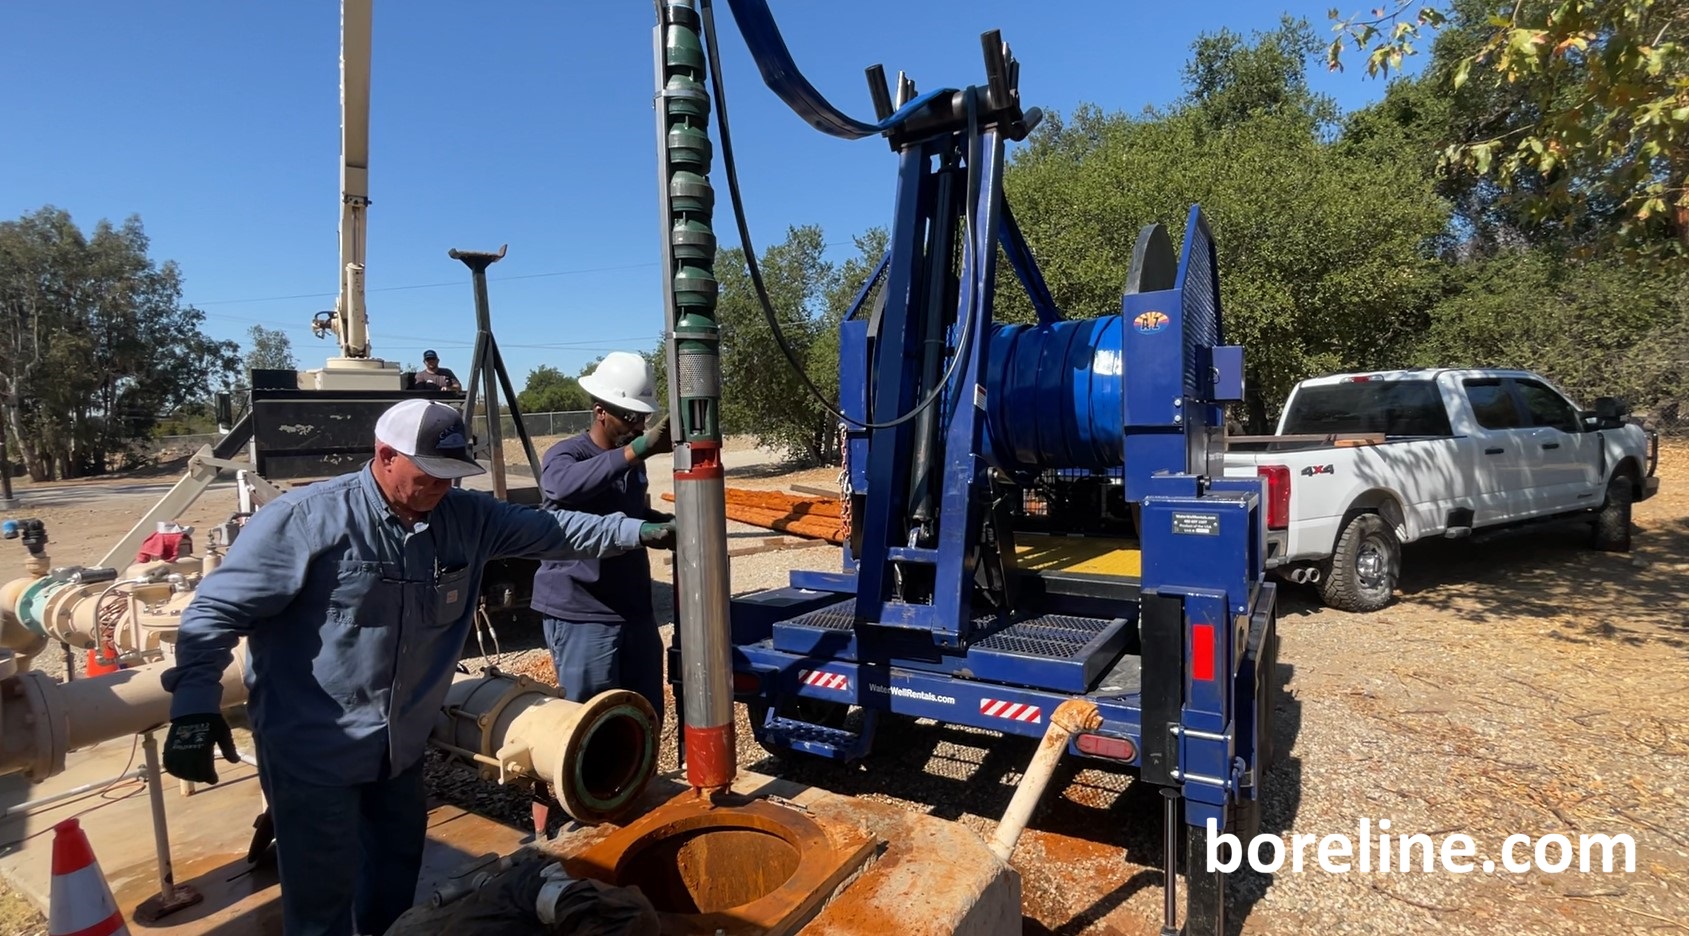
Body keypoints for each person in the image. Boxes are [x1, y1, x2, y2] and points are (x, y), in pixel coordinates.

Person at [158, 398, 675, 936]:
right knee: (321, 901)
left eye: (452, 474)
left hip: (400, 752)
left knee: (394, 886)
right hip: (312, 751)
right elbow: (215, 611)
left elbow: (555, 529)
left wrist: (637, 532)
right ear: (386, 456)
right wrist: (194, 706)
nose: (442, 487)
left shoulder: (466, 518)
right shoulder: (307, 520)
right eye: (430, 473)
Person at [532, 351, 673, 735]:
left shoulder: (631, 461)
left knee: (643, 717)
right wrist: (636, 450)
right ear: (600, 412)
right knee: (589, 726)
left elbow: (627, 510)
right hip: (583, 613)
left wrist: (661, 524)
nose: (639, 426)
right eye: (630, 417)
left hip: (633, 611)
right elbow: (561, 487)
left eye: (643, 417)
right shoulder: (567, 454)